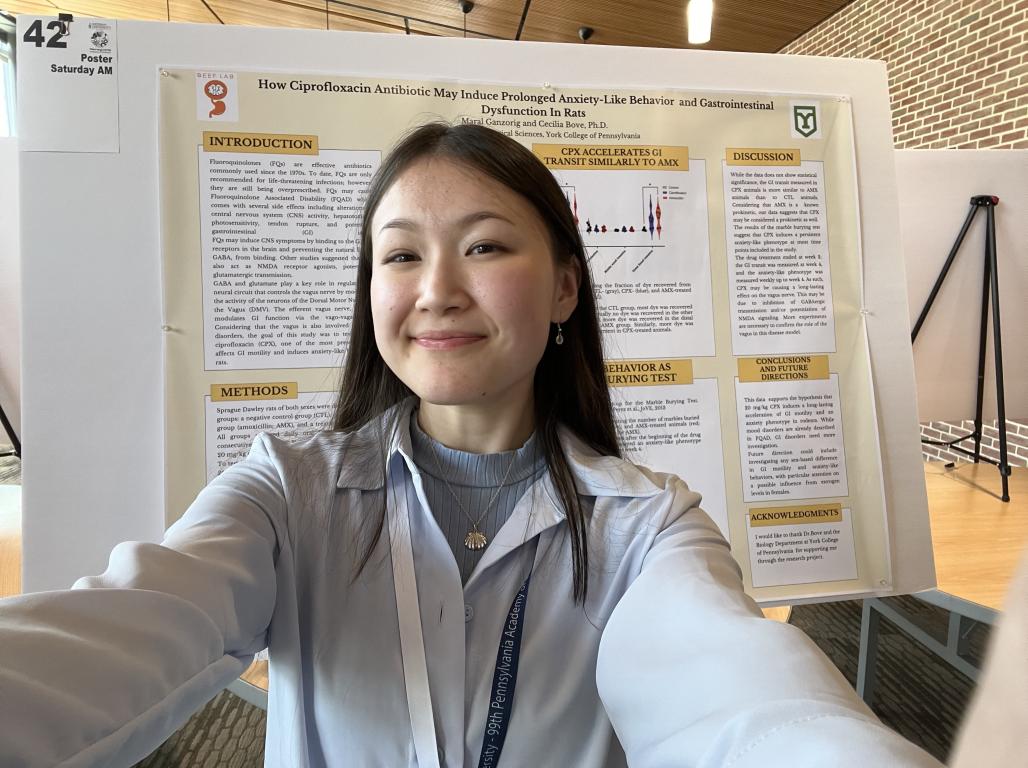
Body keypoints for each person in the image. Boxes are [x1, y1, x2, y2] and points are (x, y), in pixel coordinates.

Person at [0, 123, 941, 768]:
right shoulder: (285, 493)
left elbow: (742, 700)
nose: (436, 290)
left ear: (567, 288)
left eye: (486, 247)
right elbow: (133, 623)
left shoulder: (649, 523)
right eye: (401, 254)